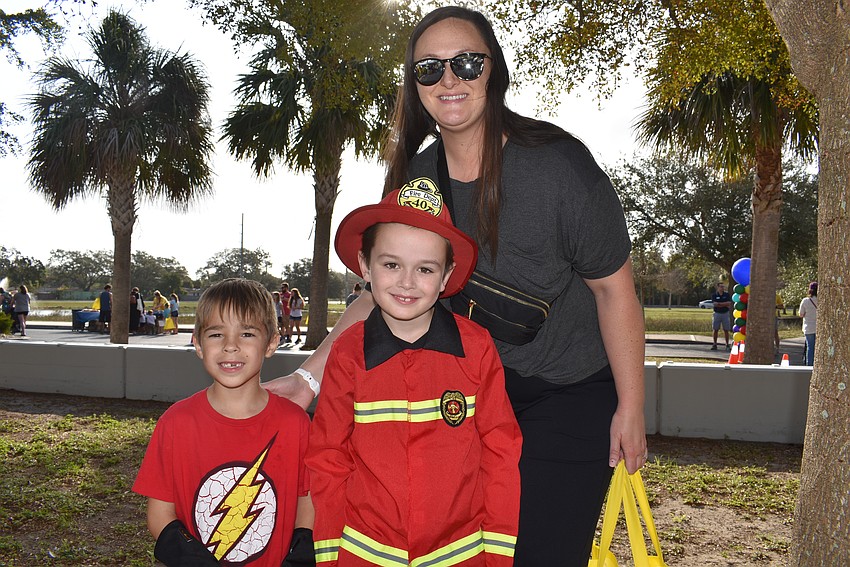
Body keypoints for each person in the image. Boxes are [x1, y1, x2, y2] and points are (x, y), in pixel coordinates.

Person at [266, 7, 646, 565]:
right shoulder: (417, 181)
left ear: (494, 71)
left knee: (540, 552)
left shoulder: (559, 168)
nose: (450, 80)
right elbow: (380, 291)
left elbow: (616, 291)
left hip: (568, 390)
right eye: (430, 69)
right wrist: (306, 380)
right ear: (414, 85)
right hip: (464, 391)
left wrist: (632, 407)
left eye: (467, 63)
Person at [306, 182, 521, 566]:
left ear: (446, 276)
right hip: (363, 555)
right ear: (364, 265)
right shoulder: (347, 353)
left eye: (425, 268)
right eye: (391, 264)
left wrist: (498, 554)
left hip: (461, 555)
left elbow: (500, 454)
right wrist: (328, 554)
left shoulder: (477, 347)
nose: (407, 281)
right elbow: (328, 458)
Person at [132, 278, 315, 566]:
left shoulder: (295, 423)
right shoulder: (176, 423)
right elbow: (159, 514)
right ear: (198, 344)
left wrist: (302, 550)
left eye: (247, 334)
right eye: (217, 334)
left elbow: (307, 499)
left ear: (271, 343)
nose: (231, 346)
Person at [799, 281, 817, 366]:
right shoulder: (821, 301)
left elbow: (801, 314)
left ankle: (809, 365)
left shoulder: (805, 301)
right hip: (818, 327)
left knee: (810, 347)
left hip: (808, 327)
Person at [711, 282, 733, 350]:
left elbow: (729, 303)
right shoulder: (714, 295)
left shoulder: (726, 295)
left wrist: (720, 304)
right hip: (717, 313)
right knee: (715, 329)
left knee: (726, 329)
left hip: (725, 313)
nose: (722, 288)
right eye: (721, 286)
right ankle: (714, 344)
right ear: (718, 287)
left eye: (723, 287)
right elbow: (715, 303)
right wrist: (723, 304)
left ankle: (727, 344)